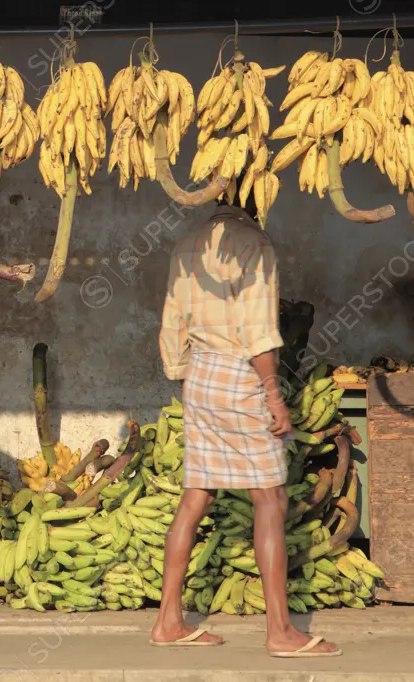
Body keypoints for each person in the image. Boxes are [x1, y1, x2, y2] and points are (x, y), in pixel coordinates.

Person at [150, 196, 341, 658]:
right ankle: (280, 632)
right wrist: (274, 394)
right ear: (257, 203)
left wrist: (182, 370)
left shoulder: (186, 246)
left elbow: (172, 320)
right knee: (270, 496)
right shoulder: (255, 244)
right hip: (241, 376)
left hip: (199, 375)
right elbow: (258, 331)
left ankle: (168, 622)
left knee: (197, 492)